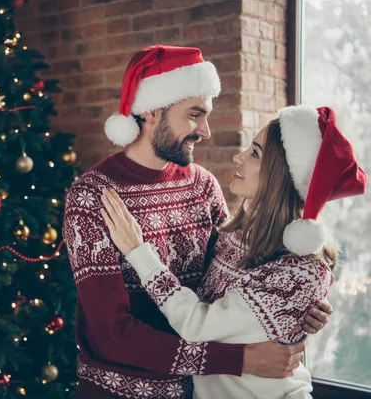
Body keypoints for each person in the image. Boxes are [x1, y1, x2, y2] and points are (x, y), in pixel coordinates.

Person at [63, 45, 332, 399]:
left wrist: (299, 307)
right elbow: (112, 336)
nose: (205, 131)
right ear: (153, 112)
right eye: (194, 115)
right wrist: (241, 360)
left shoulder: (202, 185)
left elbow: (229, 281)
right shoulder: (92, 197)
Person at [100, 104, 368, 398]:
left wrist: (138, 251)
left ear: (281, 176)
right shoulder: (236, 232)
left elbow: (197, 324)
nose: (238, 157)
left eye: (254, 153)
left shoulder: (300, 272)